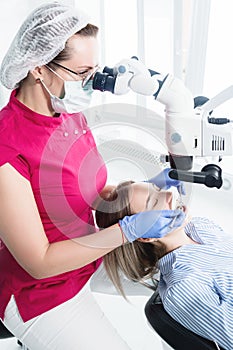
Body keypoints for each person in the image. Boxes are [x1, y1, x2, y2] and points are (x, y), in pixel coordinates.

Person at [0, 2, 185, 349]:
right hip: (40, 291)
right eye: (83, 72)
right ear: (39, 68)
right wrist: (127, 230)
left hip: (86, 258)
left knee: (182, 278)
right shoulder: (6, 147)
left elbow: (89, 192)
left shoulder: (67, 116)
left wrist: (151, 187)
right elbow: (39, 263)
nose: (93, 83)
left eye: (95, 70)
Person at [95, 180, 233, 350]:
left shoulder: (201, 226)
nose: (168, 194)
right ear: (146, 237)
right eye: (153, 202)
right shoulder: (184, 287)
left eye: (158, 189)